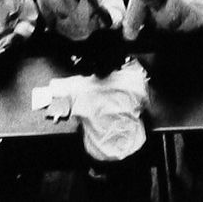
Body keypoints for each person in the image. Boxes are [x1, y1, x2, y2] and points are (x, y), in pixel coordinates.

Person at [60, 31, 153, 199]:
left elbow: (77, 118)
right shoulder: (135, 81)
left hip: (99, 167)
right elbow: (144, 106)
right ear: (119, 59)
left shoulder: (77, 89)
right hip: (134, 165)